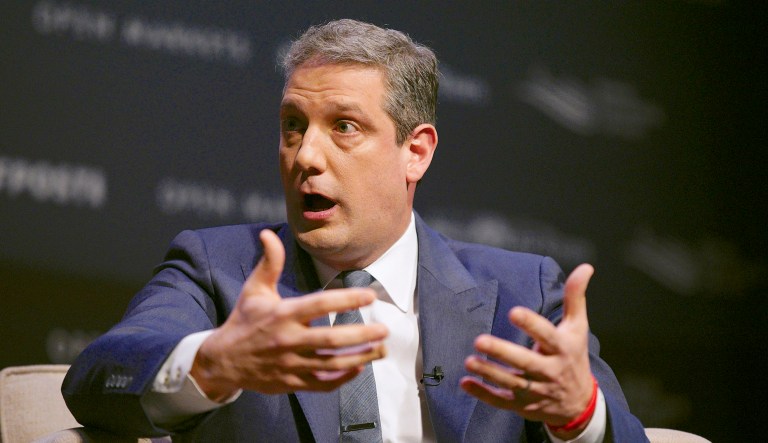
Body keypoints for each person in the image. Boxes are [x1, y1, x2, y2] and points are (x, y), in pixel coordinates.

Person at [62, 19, 647, 442]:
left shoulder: (522, 293)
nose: (305, 156)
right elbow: (96, 377)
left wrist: (579, 414)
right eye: (293, 126)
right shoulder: (217, 269)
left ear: (414, 152)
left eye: (343, 126)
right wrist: (214, 364)